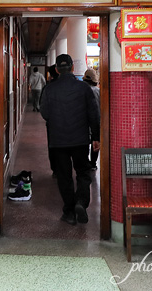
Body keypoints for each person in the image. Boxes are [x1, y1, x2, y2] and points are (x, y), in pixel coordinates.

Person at [40, 54, 101, 226]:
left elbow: (44, 113)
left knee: (64, 176)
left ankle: (69, 212)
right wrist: (95, 137)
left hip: (58, 141)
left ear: (57, 70)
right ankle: (81, 202)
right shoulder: (84, 88)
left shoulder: (50, 89)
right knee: (83, 172)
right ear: (73, 68)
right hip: (80, 140)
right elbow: (94, 115)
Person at [82, 68, 101, 170]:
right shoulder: (98, 91)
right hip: (97, 120)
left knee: (84, 143)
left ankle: (85, 162)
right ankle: (93, 164)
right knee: (95, 141)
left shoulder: (82, 91)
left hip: (84, 121)